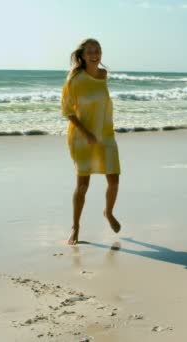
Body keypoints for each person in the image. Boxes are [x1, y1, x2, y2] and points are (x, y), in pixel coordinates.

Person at [61, 38, 121, 245]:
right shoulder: (74, 79)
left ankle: (108, 212)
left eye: (98, 50)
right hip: (82, 137)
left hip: (106, 134)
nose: (95, 54)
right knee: (83, 185)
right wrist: (86, 133)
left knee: (114, 180)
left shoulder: (104, 75)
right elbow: (67, 110)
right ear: (82, 56)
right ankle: (75, 228)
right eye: (90, 52)